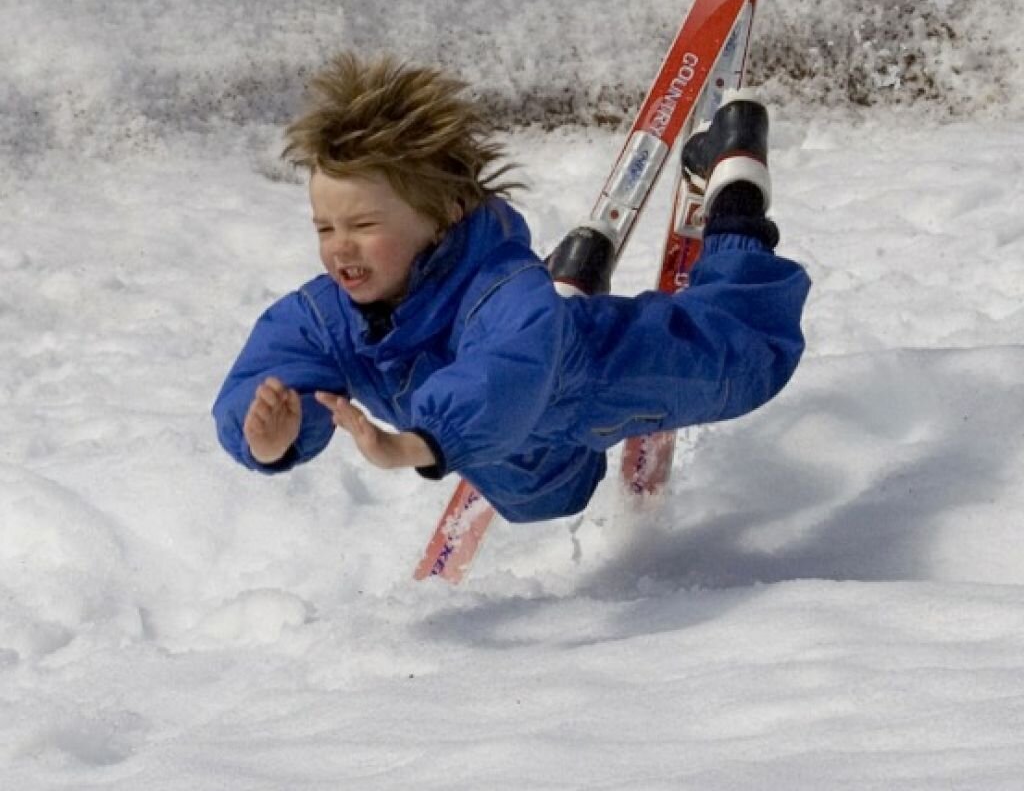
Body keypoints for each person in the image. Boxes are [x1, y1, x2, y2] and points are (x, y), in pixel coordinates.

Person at [212, 53, 810, 523]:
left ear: (442, 213)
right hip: (515, 451)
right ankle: (570, 285)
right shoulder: (330, 315)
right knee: (548, 499)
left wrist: (419, 444)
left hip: (580, 379)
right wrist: (268, 436)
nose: (339, 246)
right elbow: (277, 364)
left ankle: (735, 183)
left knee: (751, 357)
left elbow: (503, 372)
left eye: (364, 227)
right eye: (326, 227)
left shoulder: (503, 293)